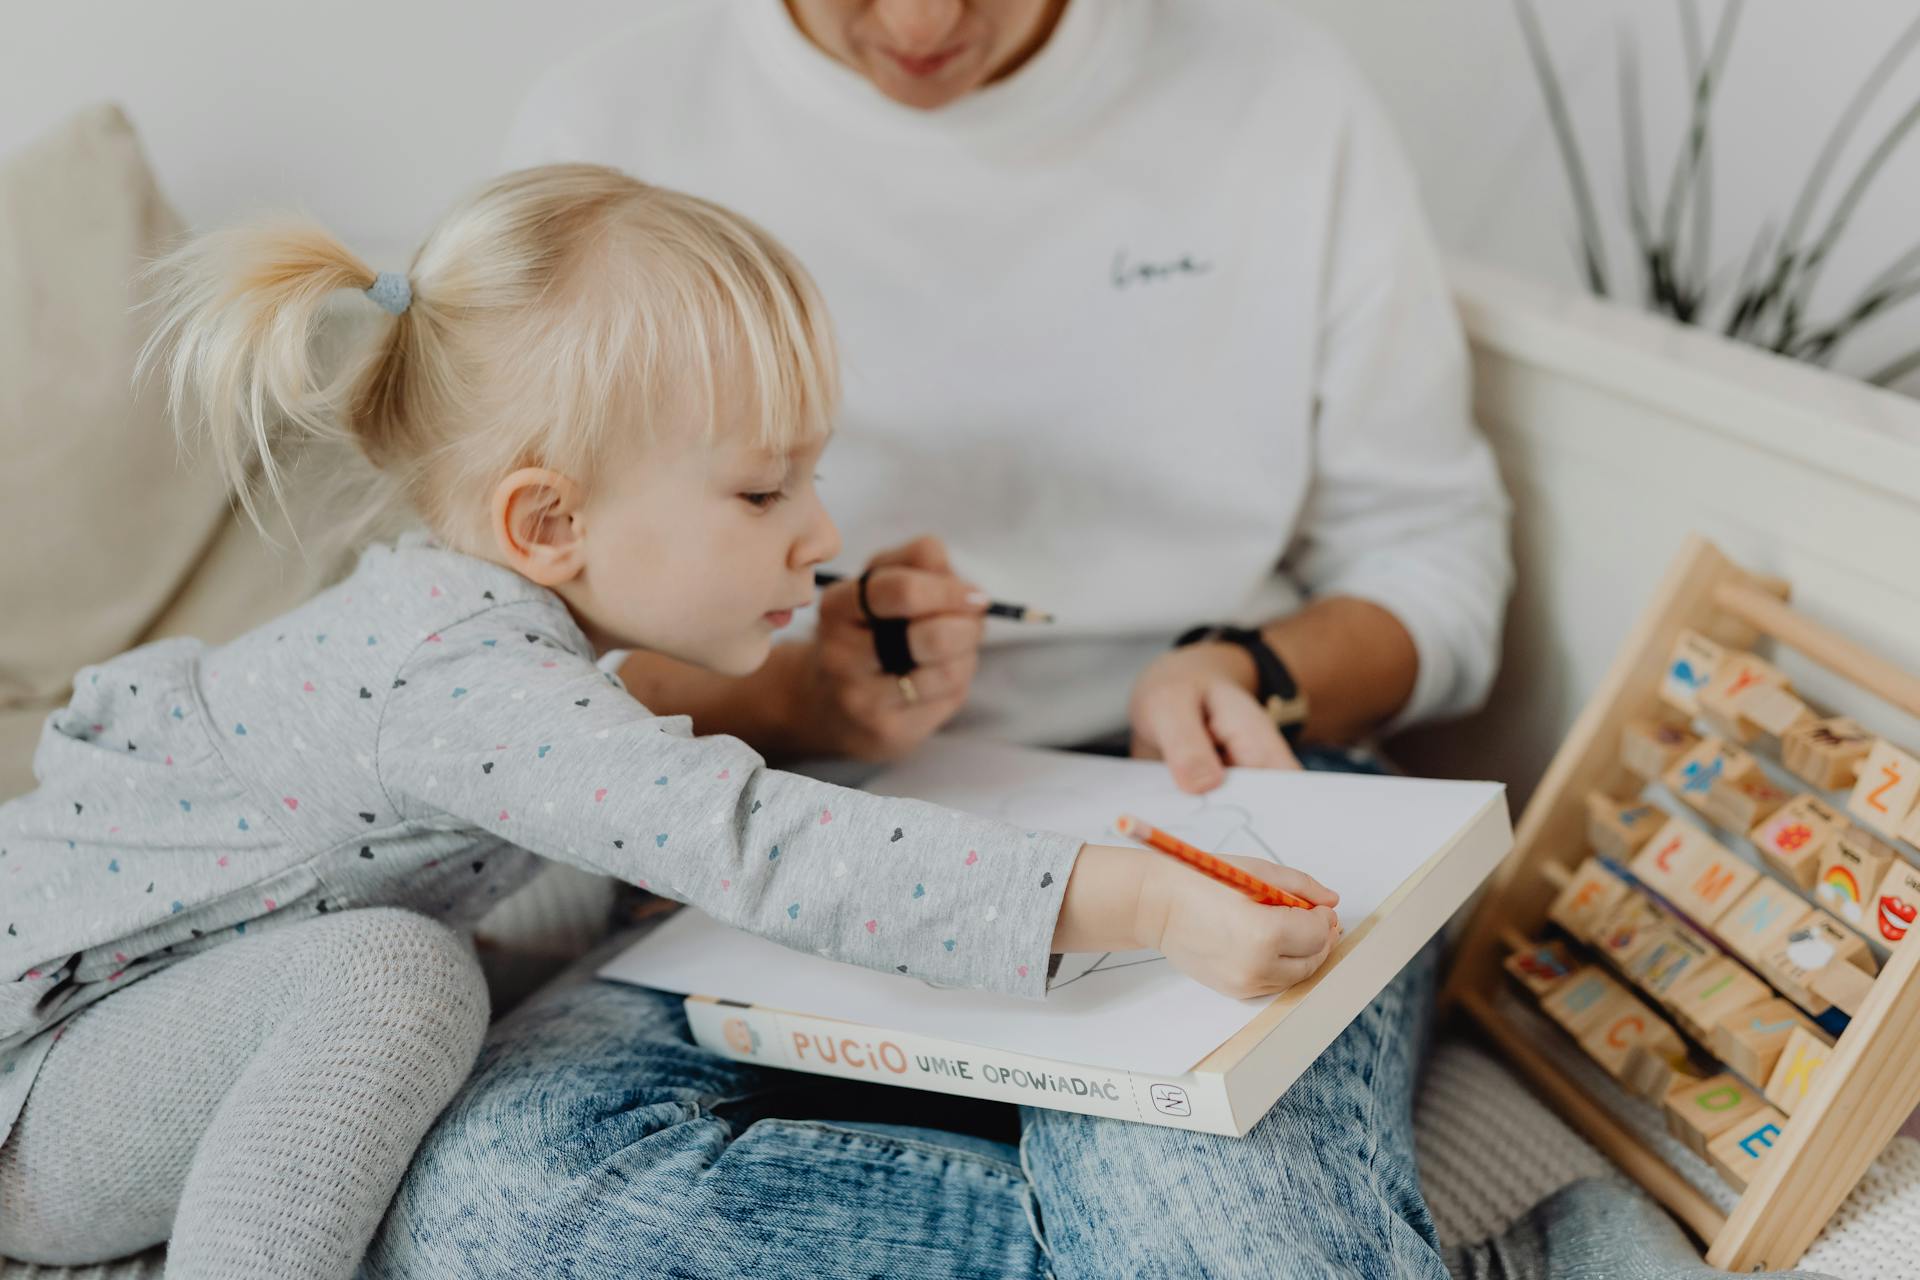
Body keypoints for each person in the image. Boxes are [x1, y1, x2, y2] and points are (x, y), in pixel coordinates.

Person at [0, 163, 1340, 1278]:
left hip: (156, 1025)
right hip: (38, 1095)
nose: (818, 535)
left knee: (551, 941)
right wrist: (1143, 904)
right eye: (763, 495)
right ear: (550, 524)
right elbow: (759, 842)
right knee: (403, 975)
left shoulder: (482, 638)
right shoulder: (462, 684)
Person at [368, 2, 1506, 1278]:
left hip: (1213, 806)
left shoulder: (1283, 98)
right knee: (498, 1204)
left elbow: (1435, 565)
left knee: (1210, 1220)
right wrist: (808, 702)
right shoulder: (615, 128)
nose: (919, 22)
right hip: (800, 815)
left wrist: (1256, 667)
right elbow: (530, 645)